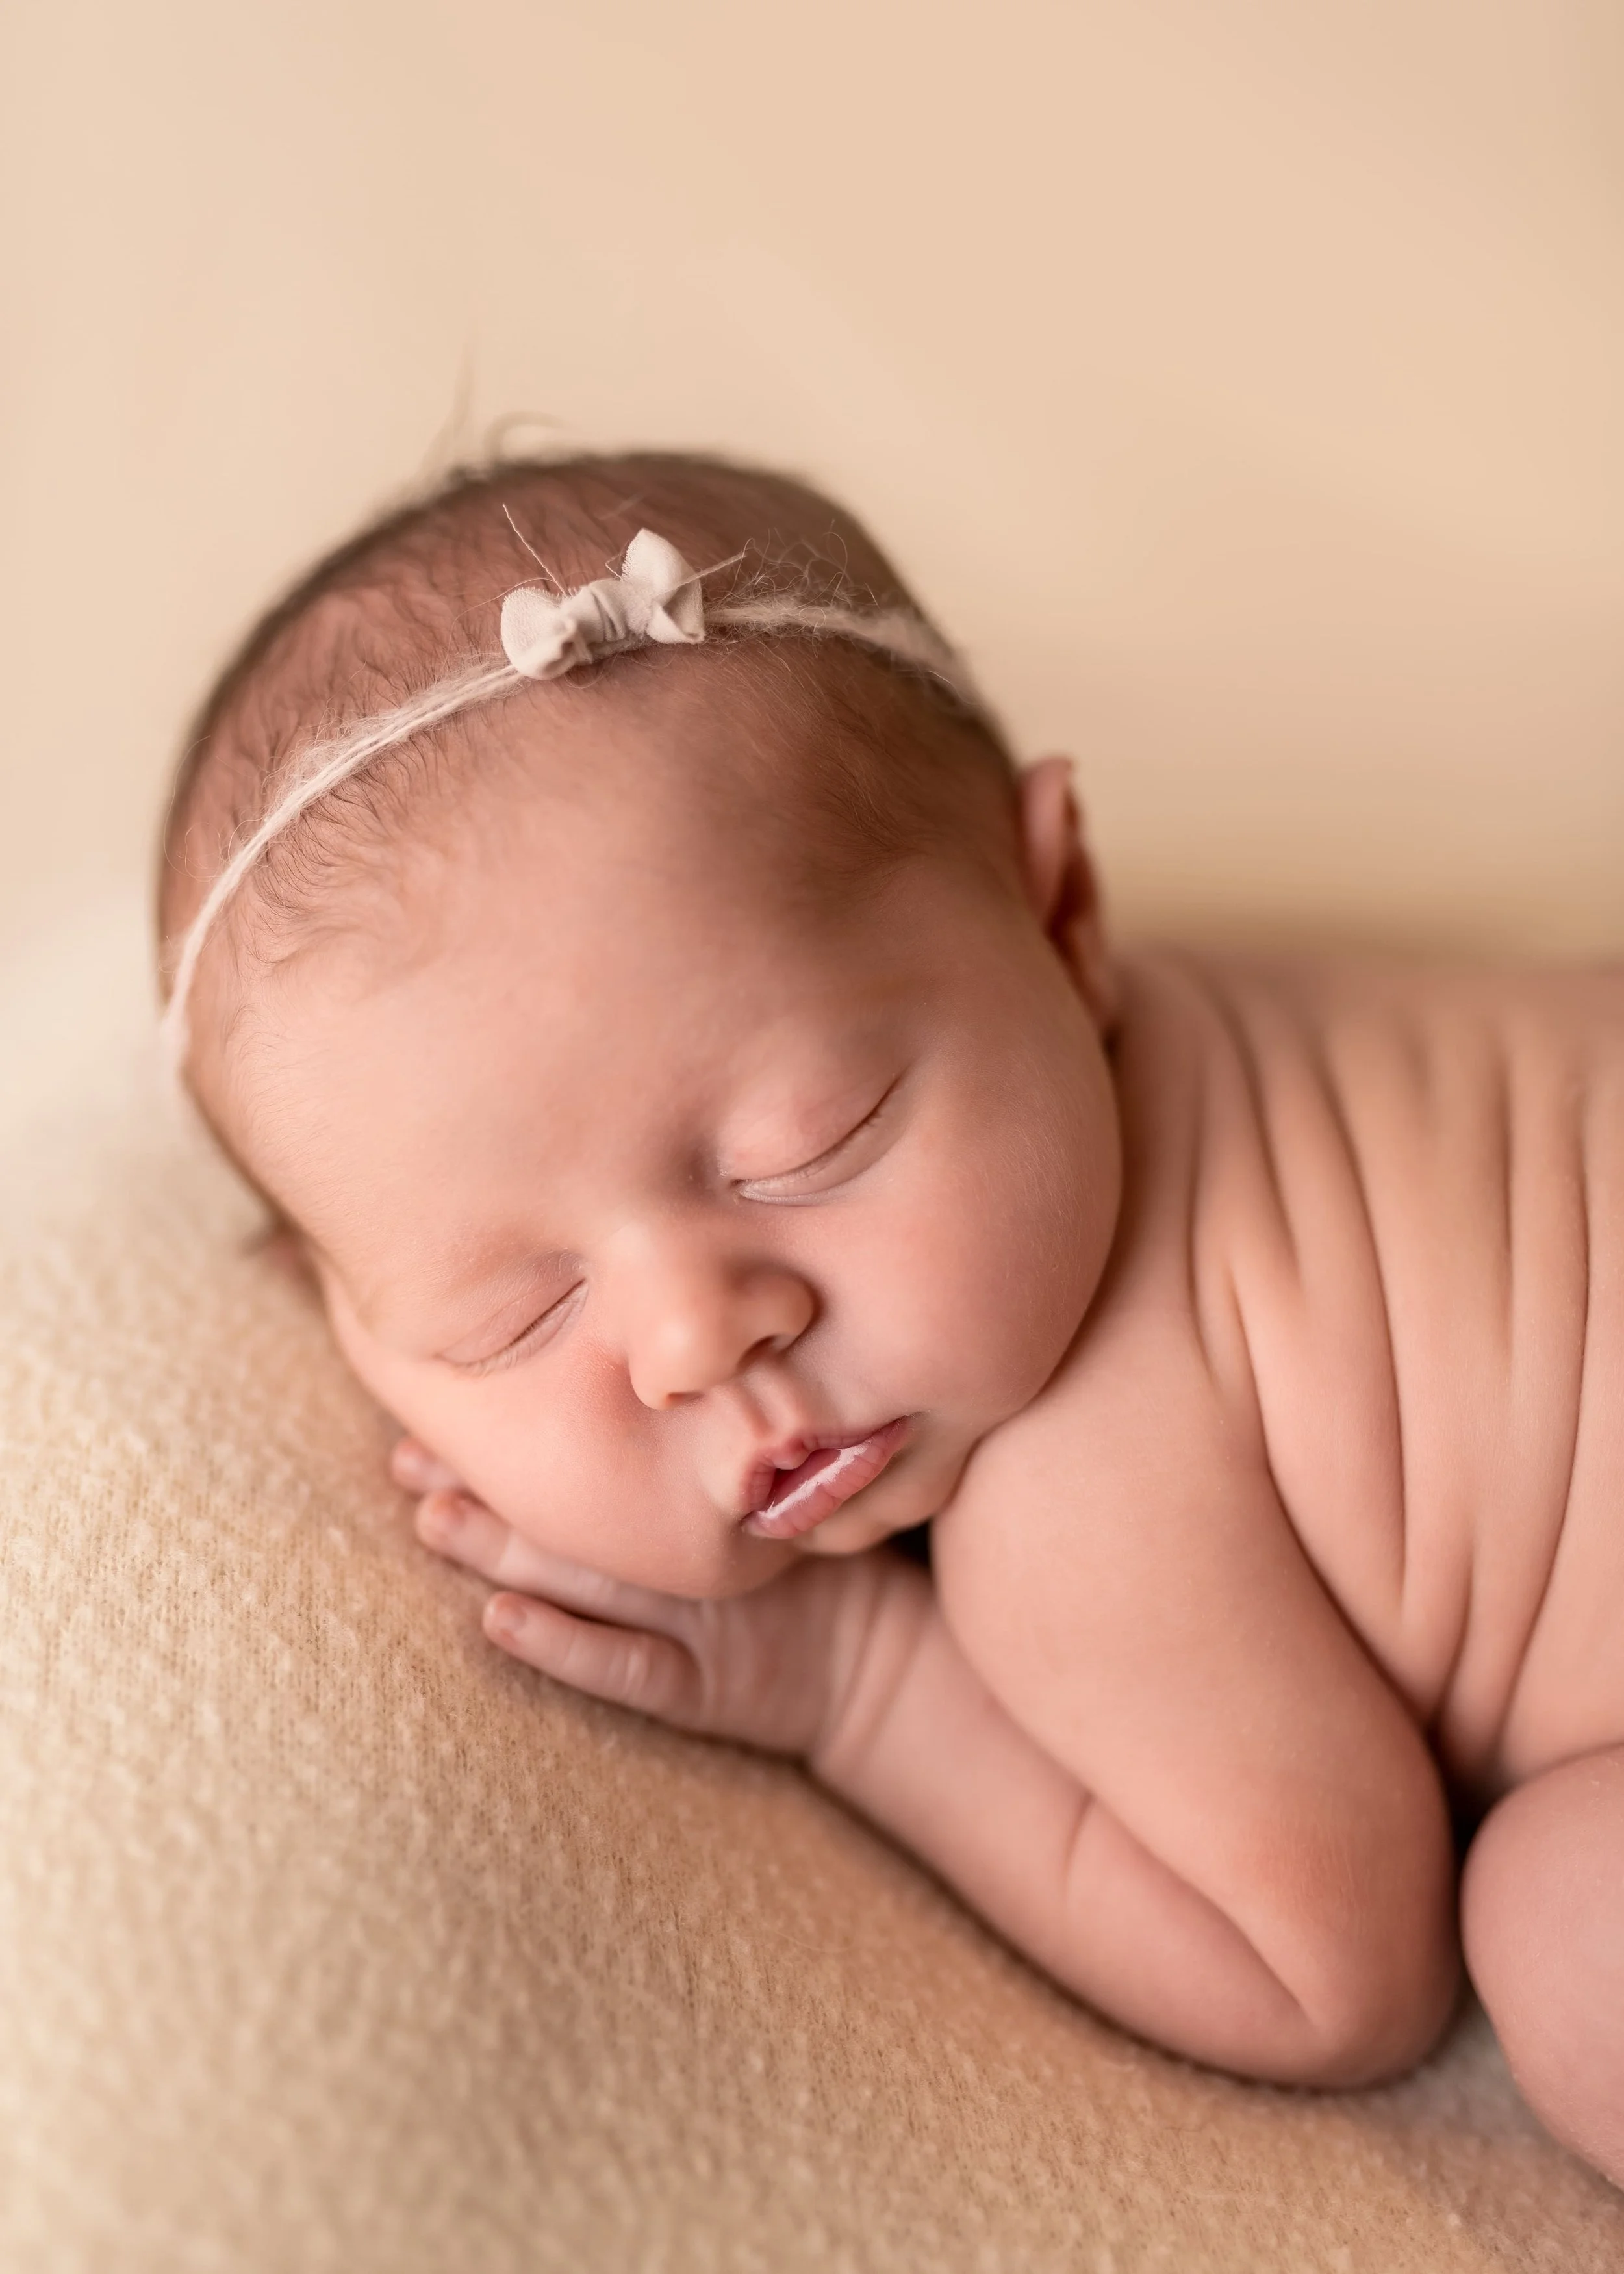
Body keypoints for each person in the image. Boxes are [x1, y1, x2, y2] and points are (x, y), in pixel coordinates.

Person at [158, 450, 1624, 2184]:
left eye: (810, 1145)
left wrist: (859, 1687)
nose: (700, 1338)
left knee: (1567, 1926)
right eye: (512, 1312)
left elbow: (1326, 1972)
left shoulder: (1074, 1504)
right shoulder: (1208, 1012)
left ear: (1061, 911)